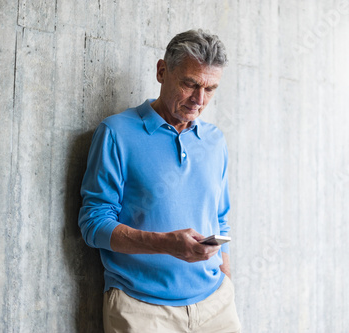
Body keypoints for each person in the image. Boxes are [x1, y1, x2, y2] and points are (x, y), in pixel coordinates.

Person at [78, 29, 241, 333]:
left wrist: (226, 282)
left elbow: (219, 218)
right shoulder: (116, 134)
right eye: (190, 84)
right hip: (141, 312)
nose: (199, 99)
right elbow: (93, 224)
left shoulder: (215, 141)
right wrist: (166, 244)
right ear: (162, 71)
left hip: (216, 306)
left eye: (210, 88)